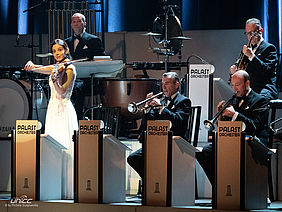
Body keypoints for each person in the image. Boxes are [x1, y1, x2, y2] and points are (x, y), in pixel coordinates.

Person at [24, 39, 78, 199]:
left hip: (64, 110)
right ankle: (53, 185)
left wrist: (54, 80)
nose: (57, 53)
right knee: (52, 147)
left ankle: (67, 188)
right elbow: (44, 69)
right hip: (53, 110)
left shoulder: (70, 68)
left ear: (66, 51)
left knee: (64, 146)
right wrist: (33, 66)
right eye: (54, 51)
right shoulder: (56, 67)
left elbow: (61, 92)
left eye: (60, 50)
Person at [197, 70, 269, 185]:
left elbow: (255, 126)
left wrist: (235, 115)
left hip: (254, 142)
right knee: (204, 152)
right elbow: (227, 128)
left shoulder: (260, 100)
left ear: (247, 83)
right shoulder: (234, 100)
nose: (235, 89)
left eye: (238, 85)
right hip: (234, 141)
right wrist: (220, 117)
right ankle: (219, 186)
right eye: (233, 85)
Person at [127, 72, 192, 179]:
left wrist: (162, 108)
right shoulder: (161, 100)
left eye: (167, 83)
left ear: (176, 85)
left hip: (174, 143)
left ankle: (158, 183)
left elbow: (179, 121)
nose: (164, 87)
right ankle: (151, 183)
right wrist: (147, 109)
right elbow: (146, 125)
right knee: (133, 158)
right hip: (157, 142)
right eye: (162, 83)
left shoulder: (184, 101)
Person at [65, 13, 105, 120]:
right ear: (71, 25)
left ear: (84, 23)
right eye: (74, 22)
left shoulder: (93, 40)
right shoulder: (66, 42)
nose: (76, 24)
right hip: (71, 80)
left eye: (79, 21)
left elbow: (101, 59)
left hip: (88, 82)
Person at [230, 18, 278, 102]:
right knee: (231, 102)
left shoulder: (270, 48)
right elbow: (240, 69)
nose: (250, 36)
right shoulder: (246, 50)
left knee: (257, 101)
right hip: (249, 89)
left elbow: (267, 71)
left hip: (264, 88)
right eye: (248, 33)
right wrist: (234, 72)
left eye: (253, 32)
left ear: (261, 31)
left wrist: (252, 56)